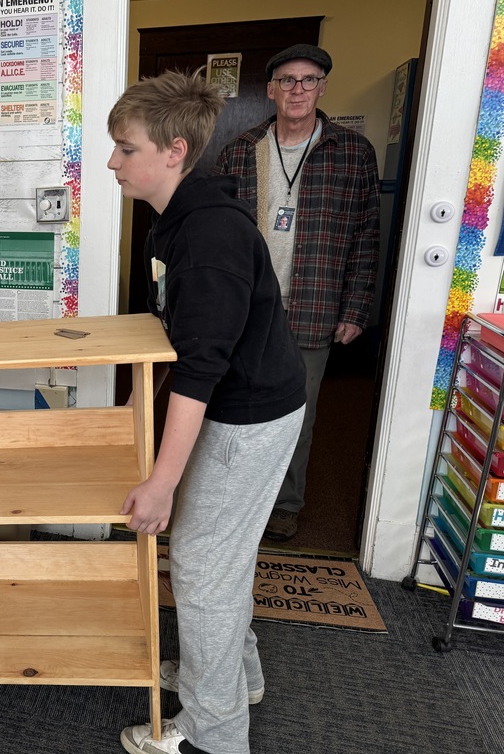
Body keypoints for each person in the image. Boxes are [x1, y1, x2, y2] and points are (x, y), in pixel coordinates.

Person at [107, 71, 305, 754]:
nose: (112, 162)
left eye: (125, 149)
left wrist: (160, 483)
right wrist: (136, 406)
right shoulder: (178, 221)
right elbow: (176, 333)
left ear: (174, 150)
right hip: (242, 401)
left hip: (247, 415)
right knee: (220, 556)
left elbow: (200, 368)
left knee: (199, 567)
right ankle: (228, 673)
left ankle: (213, 734)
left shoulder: (209, 239)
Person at [215, 43, 380, 542]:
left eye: (309, 80)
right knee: (230, 405)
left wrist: (355, 308)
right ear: (270, 90)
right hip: (247, 306)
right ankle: (232, 498)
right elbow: (219, 235)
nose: (298, 89)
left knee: (295, 416)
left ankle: (285, 503)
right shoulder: (241, 150)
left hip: (314, 303)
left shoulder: (351, 152)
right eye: (287, 80)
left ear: (323, 87)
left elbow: (366, 234)